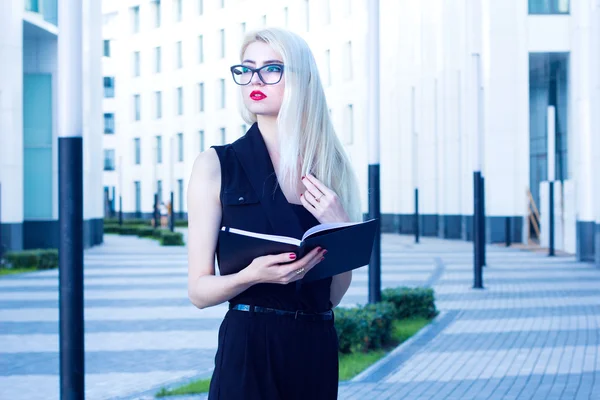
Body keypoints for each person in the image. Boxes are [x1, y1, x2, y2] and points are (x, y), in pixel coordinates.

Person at [186, 28, 361, 400]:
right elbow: (199, 292)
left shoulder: (330, 168)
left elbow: (334, 295)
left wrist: (340, 227)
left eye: (271, 69)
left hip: (314, 347)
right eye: (247, 69)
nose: (255, 80)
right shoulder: (216, 165)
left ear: (301, 79)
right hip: (249, 344)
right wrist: (249, 276)